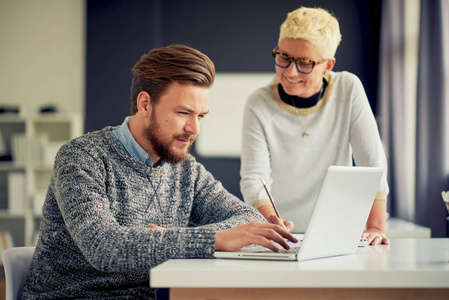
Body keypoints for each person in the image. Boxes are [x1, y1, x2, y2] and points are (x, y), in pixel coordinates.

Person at [22, 44, 296, 299]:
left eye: (200, 116)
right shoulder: (82, 157)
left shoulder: (187, 171)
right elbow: (104, 246)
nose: (194, 129)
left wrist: (169, 238)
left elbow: (246, 218)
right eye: (183, 113)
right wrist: (214, 239)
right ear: (144, 104)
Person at [240, 7, 389, 246]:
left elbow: (372, 163)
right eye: (283, 57)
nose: (290, 71)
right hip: (283, 235)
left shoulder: (348, 88)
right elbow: (254, 179)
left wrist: (376, 227)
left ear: (328, 65)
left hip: (339, 231)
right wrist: (273, 222)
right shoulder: (258, 104)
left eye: (305, 63)